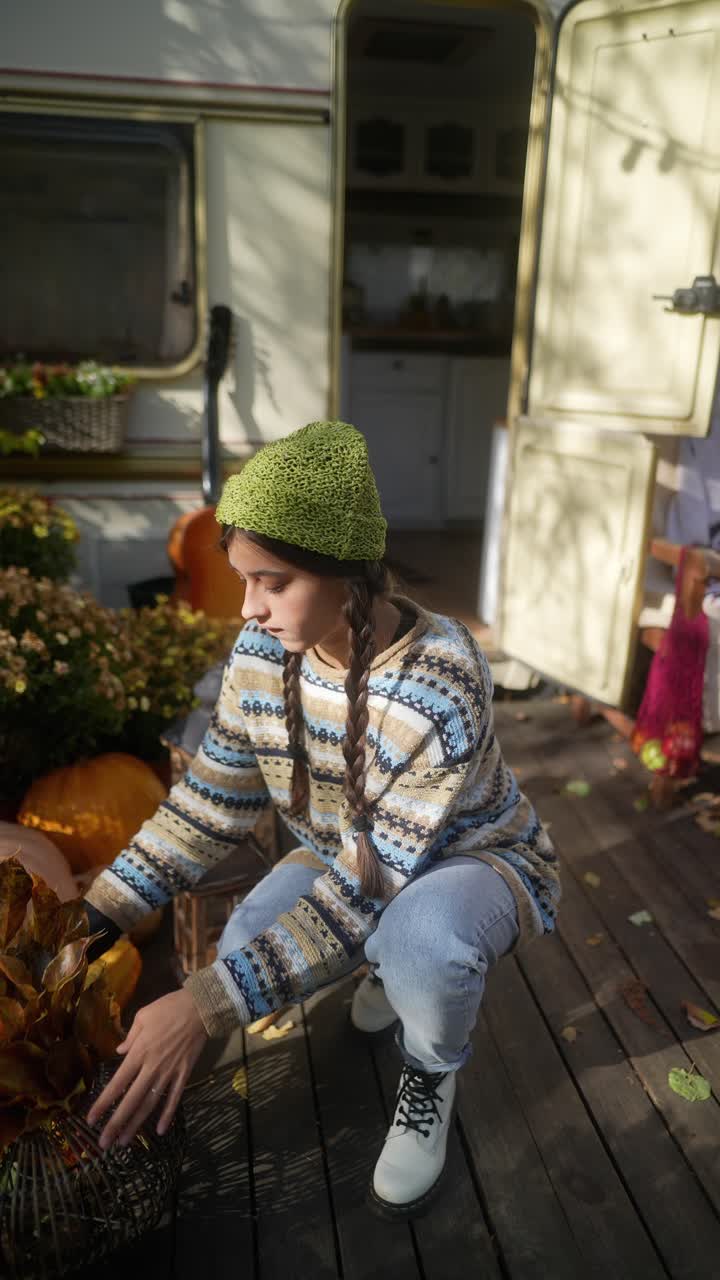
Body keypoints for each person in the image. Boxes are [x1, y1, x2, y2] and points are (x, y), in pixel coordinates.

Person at [85, 420, 560, 1219]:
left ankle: (429, 1068)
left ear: (350, 572)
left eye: (272, 582)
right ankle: (382, 970)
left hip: (472, 858)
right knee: (244, 945)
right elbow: (211, 804)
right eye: (242, 580)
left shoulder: (439, 680)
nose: (249, 608)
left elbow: (366, 890)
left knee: (420, 943)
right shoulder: (261, 657)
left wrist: (201, 1003)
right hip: (349, 854)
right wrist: (99, 916)